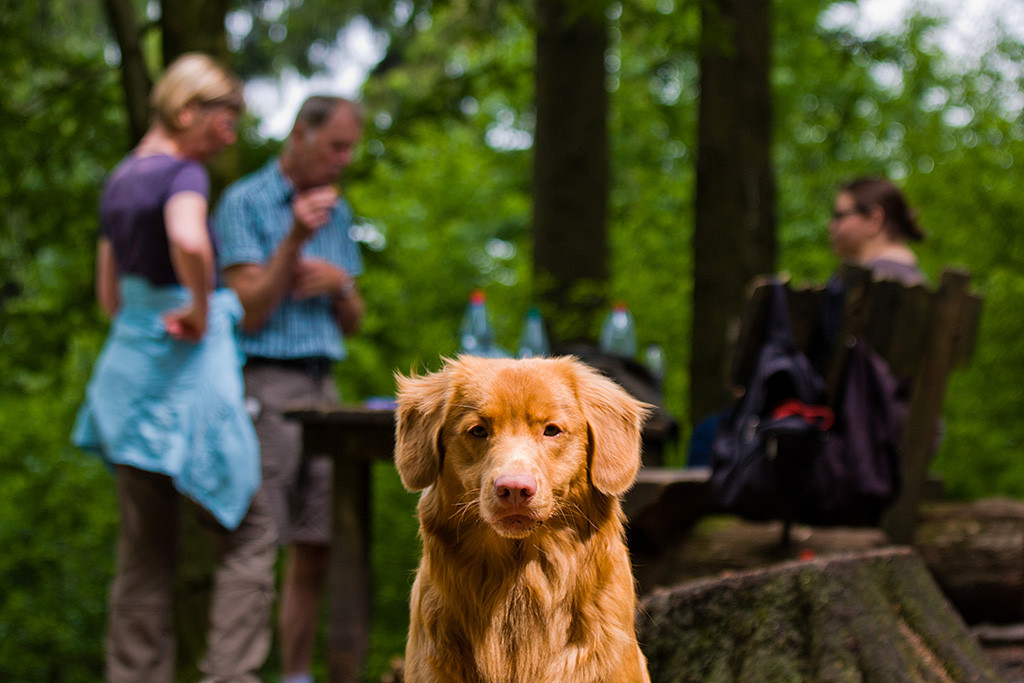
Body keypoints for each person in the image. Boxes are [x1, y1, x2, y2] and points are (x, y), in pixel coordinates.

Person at [72, 53, 276, 682]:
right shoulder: (183, 174)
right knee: (250, 527)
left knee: (144, 551)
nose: (230, 136)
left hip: (128, 382)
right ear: (189, 111)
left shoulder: (120, 178)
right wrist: (196, 306)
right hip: (188, 382)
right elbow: (188, 238)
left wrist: (154, 313)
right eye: (224, 121)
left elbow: (109, 295)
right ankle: (230, 676)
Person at [212, 95, 366, 683]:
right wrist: (294, 240)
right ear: (301, 134)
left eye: (350, 149)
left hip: (324, 387)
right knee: (257, 539)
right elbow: (248, 312)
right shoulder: (245, 202)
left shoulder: (338, 210)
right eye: (336, 147)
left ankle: (295, 676)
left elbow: (352, 321)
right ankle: (234, 674)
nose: (343, 160)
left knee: (317, 541)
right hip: (266, 383)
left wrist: (340, 285)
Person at [828, 176, 927, 286]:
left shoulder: (866, 283)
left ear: (874, 220)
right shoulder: (915, 280)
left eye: (839, 216)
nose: (831, 226)